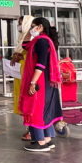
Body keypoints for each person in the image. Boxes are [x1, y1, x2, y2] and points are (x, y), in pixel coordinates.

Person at [19, 16, 63, 152]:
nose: (31, 29)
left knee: (35, 109)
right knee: (44, 110)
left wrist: (33, 82)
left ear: (40, 27)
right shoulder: (40, 41)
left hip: (40, 81)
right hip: (46, 81)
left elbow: (41, 64)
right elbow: (25, 45)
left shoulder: (42, 42)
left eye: (33, 26)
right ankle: (48, 139)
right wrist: (29, 33)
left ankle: (40, 141)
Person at [8, 15, 34, 140]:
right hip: (20, 73)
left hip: (27, 74)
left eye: (21, 23)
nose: (19, 26)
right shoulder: (21, 37)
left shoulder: (31, 37)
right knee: (22, 99)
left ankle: (32, 129)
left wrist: (20, 56)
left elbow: (30, 55)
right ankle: (29, 128)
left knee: (29, 100)